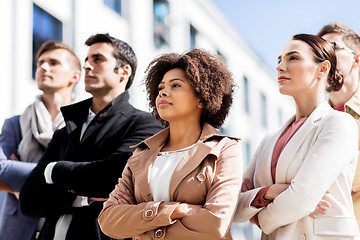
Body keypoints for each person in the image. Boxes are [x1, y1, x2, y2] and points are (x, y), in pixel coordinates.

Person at [19, 33, 163, 240]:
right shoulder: (65, 129)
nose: (87, 66)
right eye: (86, 60)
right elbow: (29, 199)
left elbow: (112, 178)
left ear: (123, 71)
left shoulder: (147, 124)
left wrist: (53, 170)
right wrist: (84, 195)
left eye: (98, 59)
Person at [98, 48, 243, 240]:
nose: (163, 93)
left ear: (201, 97)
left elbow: (215, 224)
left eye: (175, 85)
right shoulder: (142, 153)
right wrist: (171, 211)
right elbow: (108, 220)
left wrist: (142, 224)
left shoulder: (224, 149)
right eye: (160, 88)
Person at [234, 34, 360, 239]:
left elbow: (302, 199)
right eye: (279, 60)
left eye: (292, 58)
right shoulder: (269, 139)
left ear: (323, 68)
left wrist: (259, 219)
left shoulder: (339, 123)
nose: (280, 67)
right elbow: (234, 204)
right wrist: (269, 192)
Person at [0, 40, 81, 240]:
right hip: (16, 230)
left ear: (75, 76)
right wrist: (65, 174)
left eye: (53, 62)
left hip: (66, 229)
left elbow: (93, 175)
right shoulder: (15, 124)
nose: (43, 67)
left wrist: (25, 185)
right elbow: (0, 169)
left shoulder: (86, 126)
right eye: (40, 63)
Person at [317, 22, 360, 230]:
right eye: (319, 50)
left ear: (357, 59)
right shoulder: (306, 124)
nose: (325, 55)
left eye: (333, 47)